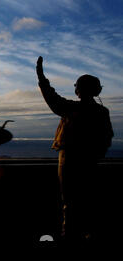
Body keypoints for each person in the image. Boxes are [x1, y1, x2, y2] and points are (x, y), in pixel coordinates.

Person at [36, 56, 113, 241]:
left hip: (69, 159)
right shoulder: (102, 112)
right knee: (88, 200)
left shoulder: (71, 108)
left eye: (76, 86)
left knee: (70, 201)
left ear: (79, 90)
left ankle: (69, 236)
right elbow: (107, 137)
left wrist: (41, 76)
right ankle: (88, 233)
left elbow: (52, 98)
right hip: (90, 160)